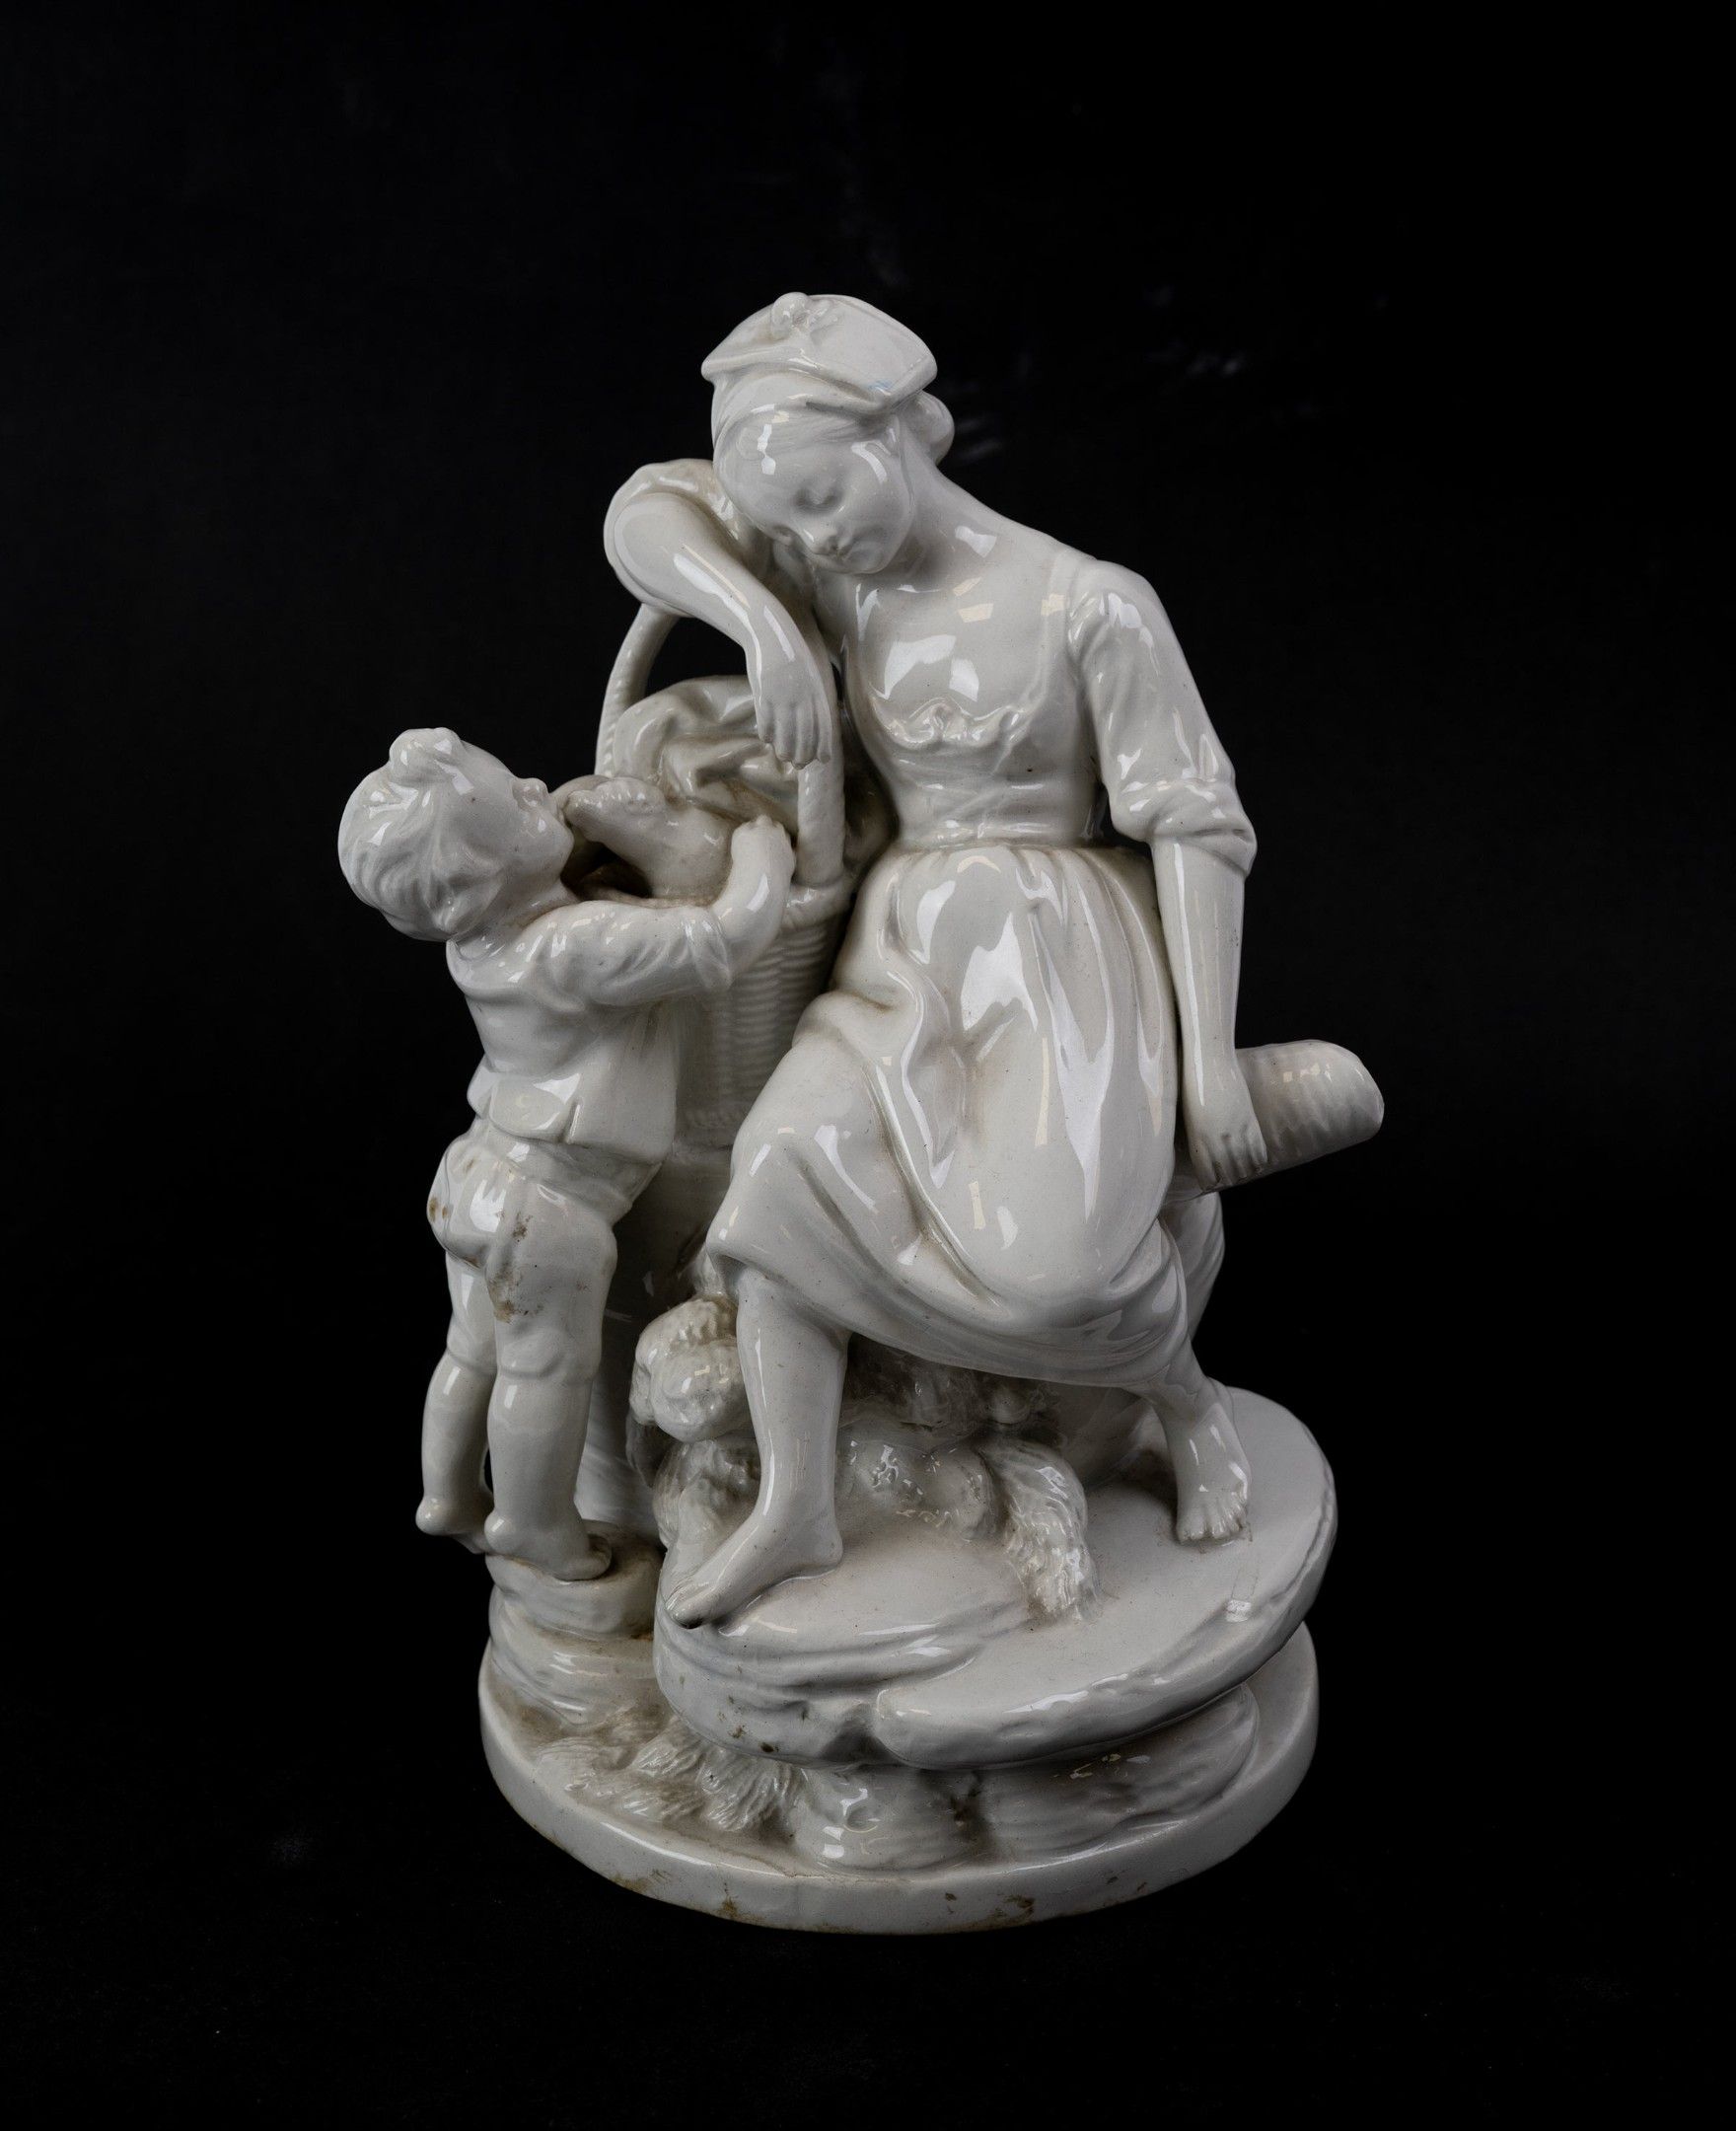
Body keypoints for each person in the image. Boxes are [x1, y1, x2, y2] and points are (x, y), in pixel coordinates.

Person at [604, 294, 1267, 1626]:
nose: (812, 536)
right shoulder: (831, 582)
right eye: (786, 521)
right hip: (904, 950)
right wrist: (761, 618)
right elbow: (643, 511)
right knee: (777, 1182)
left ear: (901, 431)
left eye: (821, 498)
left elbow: (1196, 828)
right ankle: (796, 1504)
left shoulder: (1090, 602)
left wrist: (1211, 1061)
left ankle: (1180, 1399)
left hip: (1055, 950)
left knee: (1056, 1268)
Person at [337, 727, 793, 1579]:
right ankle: (532, 1522)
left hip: (473, 1173)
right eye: (517, 804)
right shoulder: (572, 948)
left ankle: (447, 1494)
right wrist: (762, 858)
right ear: (481, 881)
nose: (536, 786)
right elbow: (725, 941)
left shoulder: (478, 945)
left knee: (472, 1351)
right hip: (548, 1205)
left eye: (517, 780)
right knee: (545, 1369)